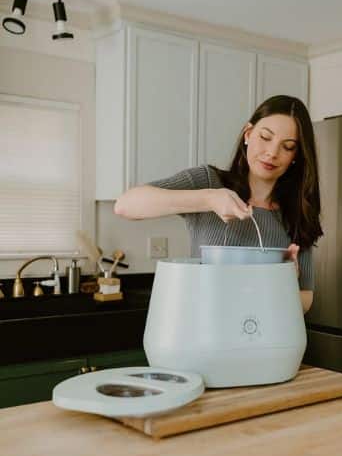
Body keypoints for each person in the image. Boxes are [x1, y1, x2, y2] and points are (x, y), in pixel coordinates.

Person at [114, 94, 323, 313]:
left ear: (296, 156)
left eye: (287, 146)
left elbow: (305, 300)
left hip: (265, 343)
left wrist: (284, 282)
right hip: (206, 337)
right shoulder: (208, 182)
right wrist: (208, 199)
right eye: (265, 137)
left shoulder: (298, 212)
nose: (272, 153)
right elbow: (126, 205)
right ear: (248, 134)